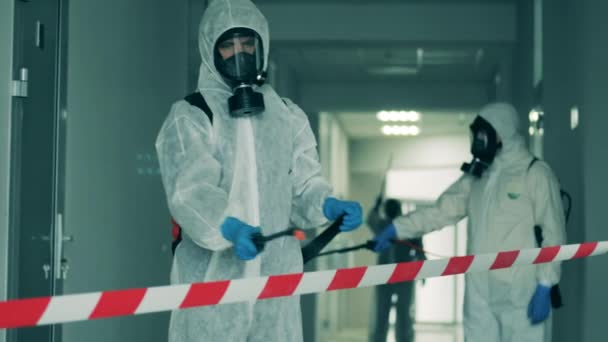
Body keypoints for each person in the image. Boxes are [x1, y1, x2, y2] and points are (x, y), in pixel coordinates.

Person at [155, 0, 363, 341]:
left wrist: (327, 205)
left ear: (261, 45)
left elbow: (305, 184)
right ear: (211, 50)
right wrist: (229, 227)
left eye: (247, 43)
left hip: (276, 289)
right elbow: (189, 192)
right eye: (228, 45)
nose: (240, 54)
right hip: (213, 288)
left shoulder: (287, 115)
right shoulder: (192, 115)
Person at [373, 103, 566, 342]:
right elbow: (441, 211)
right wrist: (398, 227)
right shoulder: (477, 178)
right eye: (476, 135)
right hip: (479, 294)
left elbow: (553, 232)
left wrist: (546, 283)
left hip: (520, 293)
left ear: (502, 131)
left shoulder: (535, 173)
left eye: (483, 134)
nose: (478, 140)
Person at [368, 197, 425, 342]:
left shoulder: (407, 227)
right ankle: (380, 339)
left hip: (404, 275)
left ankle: (404, 339)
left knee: (403, 314)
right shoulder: (382, 225)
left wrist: (422, 272)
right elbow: (370, 219)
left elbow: (419, 250)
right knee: (383, 313)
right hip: (384, 276)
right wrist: (376, 205)